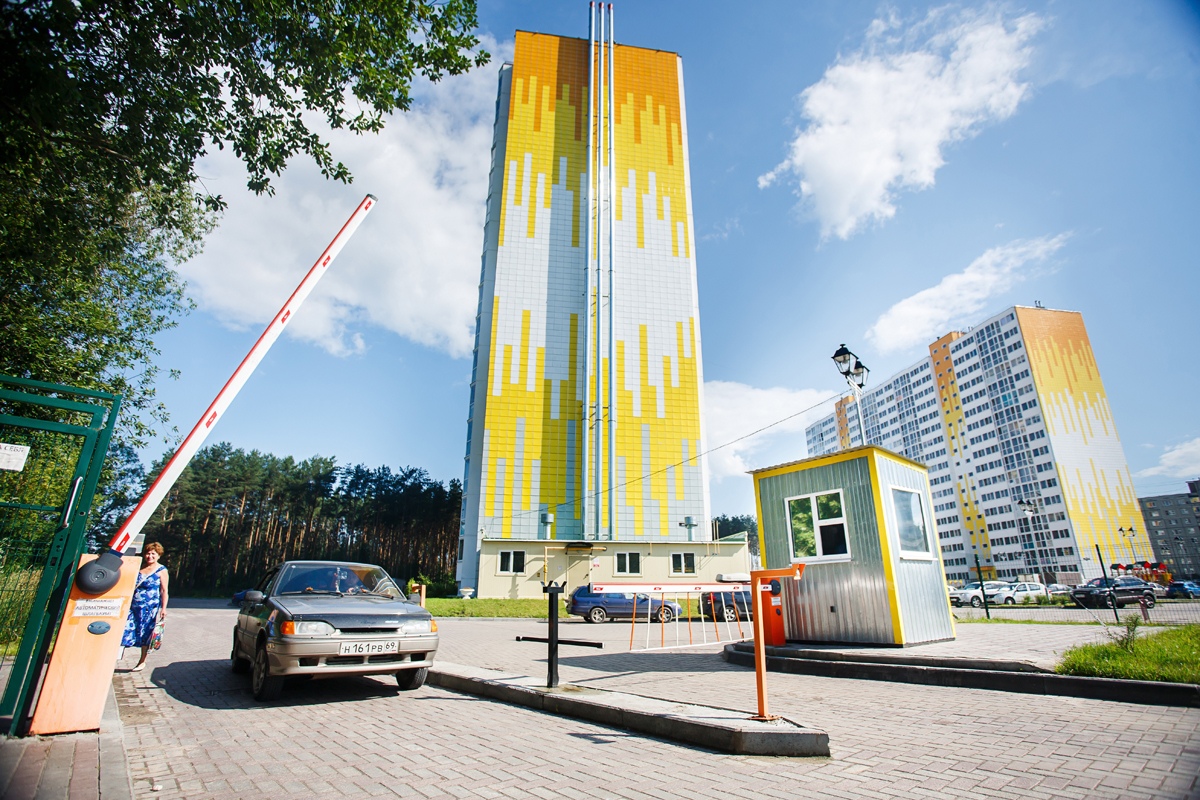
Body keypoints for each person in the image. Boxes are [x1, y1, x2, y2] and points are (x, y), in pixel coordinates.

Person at [120, 542, 169, 672]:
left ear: (158, 555)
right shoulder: (139, 568)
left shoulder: (161, 570)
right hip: (133, 606)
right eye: (148, 553)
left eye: (153, 554)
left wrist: (163, 608)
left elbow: (164, 590)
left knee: (146, 633)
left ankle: (142, 661)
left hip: (149, 608)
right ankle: (118, 655)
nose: (150, 556)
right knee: (127, 629)